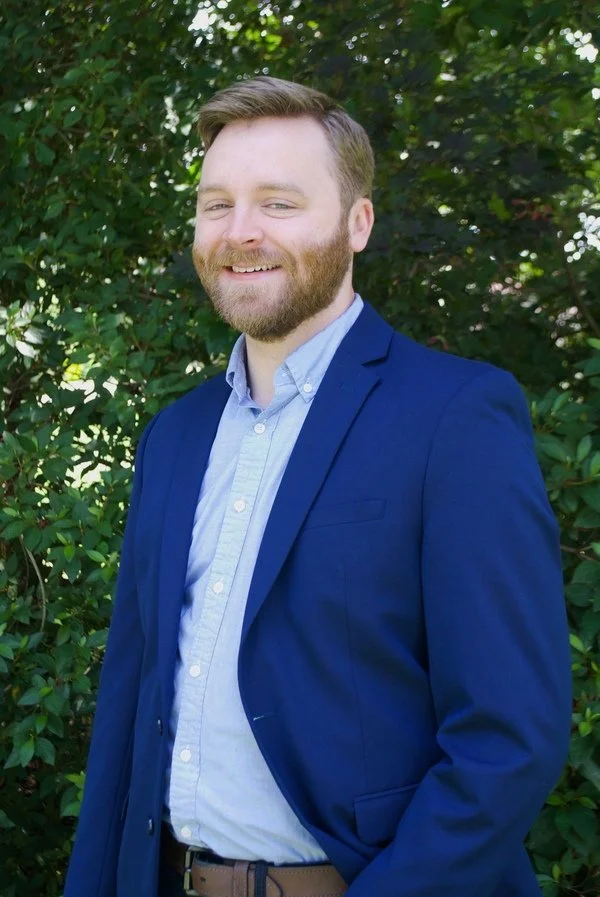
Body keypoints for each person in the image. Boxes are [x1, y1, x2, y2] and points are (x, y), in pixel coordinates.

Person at [64, 76, 571, 897]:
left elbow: (509, 739)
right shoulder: (174, 437)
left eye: (279, 203)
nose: (241, 231)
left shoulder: (455, 418)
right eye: (216, 204)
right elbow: (128, 709)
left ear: (357, 222)